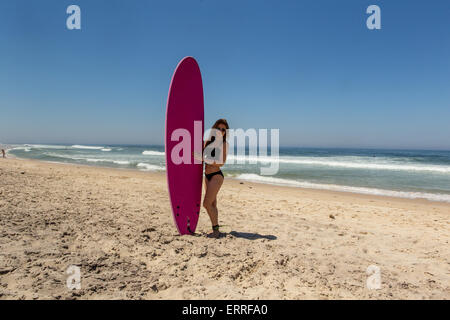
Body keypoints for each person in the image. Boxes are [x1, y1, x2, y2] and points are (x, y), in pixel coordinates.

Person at [202, 119, 229, 238]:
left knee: (206, 204)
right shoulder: (208, 142)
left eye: (223, 129)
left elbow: (221, 162)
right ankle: (216, 229)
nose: (221, 131)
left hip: (217, 176)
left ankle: (216, 231)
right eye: (219, 128)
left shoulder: (224, 144)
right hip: (207, 176)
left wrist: (203, 159)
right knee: (212, 204)